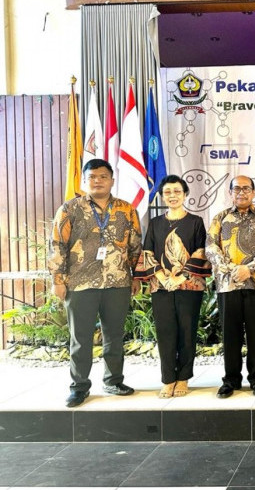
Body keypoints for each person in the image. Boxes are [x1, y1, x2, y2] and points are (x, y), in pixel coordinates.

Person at [48, 159, 142, 408]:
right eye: (92, 176)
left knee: (114, 334)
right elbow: (57, 245)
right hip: (80, 283)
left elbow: (135, 245)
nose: (98, 180)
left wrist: (136, 277)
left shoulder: (126, 209)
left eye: (103, 176)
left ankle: (114, 381)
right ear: (85, 180)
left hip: (118, 281)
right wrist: (58, 280)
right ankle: (79, 386)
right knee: (80, 337)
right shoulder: (70, 208)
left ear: (112, 180)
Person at [134, 175, 211, 398]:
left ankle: (184, 378)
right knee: (165, 332)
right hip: (162, 287)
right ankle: (168, 379)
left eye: (177, 191)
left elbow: (201, 252)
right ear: (161, 195)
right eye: (167, 192)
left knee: (187, 332)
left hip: (189, 286)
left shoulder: (195, 222)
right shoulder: (156, 223)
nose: (172, 196)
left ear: (185, 194)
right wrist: (162, 276)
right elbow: (147, 252)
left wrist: (180, 277)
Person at [206, 175, 255, 398]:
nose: (241, 192)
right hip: (229, 285)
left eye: (246, 188)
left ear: (254, 192)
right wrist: (232, 269)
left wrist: (249, 268)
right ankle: (231, 380)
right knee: (230, 335)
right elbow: (211, 248)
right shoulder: (220, 218)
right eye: (236, 189)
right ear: (230, 193)